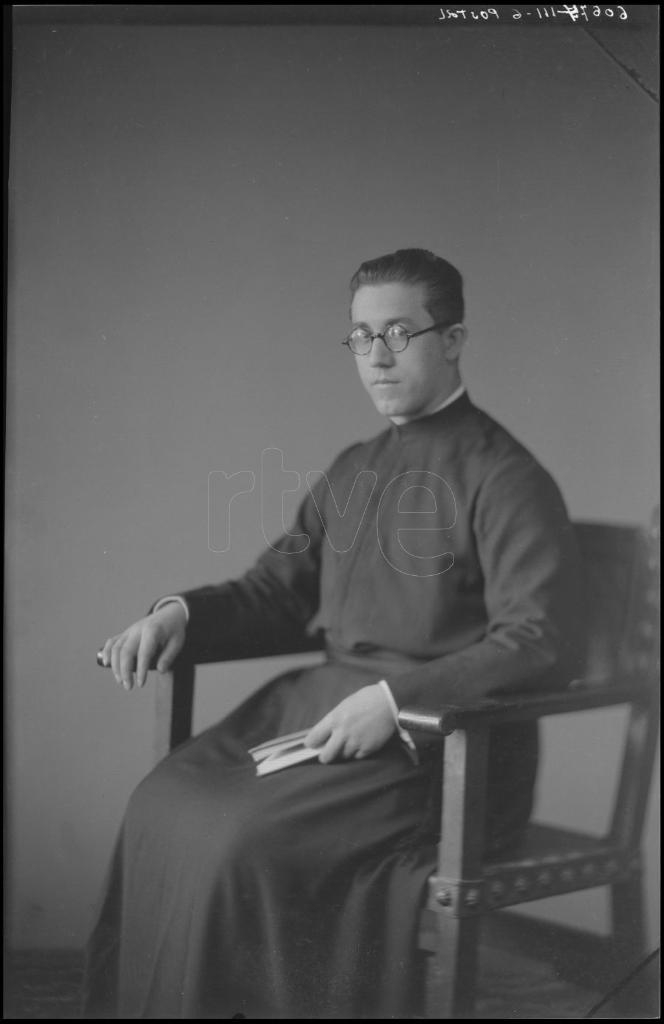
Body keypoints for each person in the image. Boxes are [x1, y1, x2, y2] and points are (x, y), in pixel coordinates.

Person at [83, 248, 582, 1019]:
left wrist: (397, 700)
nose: (375, 357)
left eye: (399, 333)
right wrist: (178, 612)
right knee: (163, 802)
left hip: (442, 746)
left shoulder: (505, 476)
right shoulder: (355, 468)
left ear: (452, 339)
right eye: (359, 336)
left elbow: (538, 638)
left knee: (236, 837)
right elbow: (276, 590)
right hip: (324, 714)